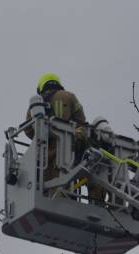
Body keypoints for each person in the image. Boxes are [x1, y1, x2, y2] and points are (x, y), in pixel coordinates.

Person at [25, 74, 106, 202]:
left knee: (48, 190)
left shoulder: (36, 103)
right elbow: (81, 121)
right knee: (67, 184)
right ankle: (95, 202)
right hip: (68, 151)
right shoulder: (69, 96)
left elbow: (29, 131)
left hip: (44, 155)